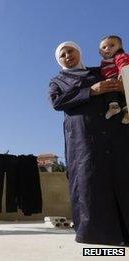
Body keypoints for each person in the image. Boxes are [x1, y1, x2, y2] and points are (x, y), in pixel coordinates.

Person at [49, 41, 129, 246]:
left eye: (71, 51)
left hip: (113, 132)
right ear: (59, 60)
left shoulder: (99, 71)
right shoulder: (58, 80)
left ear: (79, 52)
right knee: (89, 180)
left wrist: (121, 86)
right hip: (82, 139)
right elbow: (57, 102)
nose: (68, 56)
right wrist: (91, 91)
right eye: (63, 54)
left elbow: (120, 80)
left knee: (121, 174)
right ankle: (94, 234)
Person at [98, 35, 129, 122]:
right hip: (111, 80)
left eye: (112, 46)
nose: (107, 48)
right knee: (113, 93)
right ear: (100, 52)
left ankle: (123, 110)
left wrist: (123, 73)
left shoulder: (119, 56)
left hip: (119, 77)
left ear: (119, 47)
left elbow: (124, 63)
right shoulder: (103, 63)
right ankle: (116, 108)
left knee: (123, 96)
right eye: (104, 47)